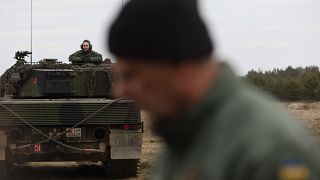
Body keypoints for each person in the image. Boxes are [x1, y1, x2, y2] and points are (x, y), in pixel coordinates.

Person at [108, 0, 320, 179]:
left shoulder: (270, 151)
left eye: (131, 75)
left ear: (183, 70)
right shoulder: (183, 137)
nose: (120, 91)